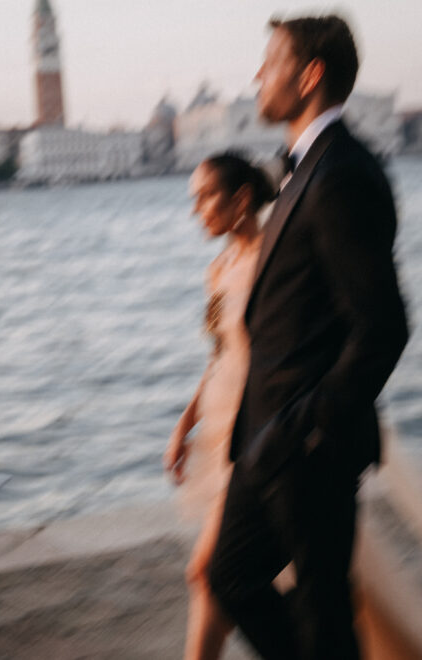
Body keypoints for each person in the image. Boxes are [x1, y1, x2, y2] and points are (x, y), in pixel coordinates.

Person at [208, 15, 408, 660]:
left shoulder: (343, 173)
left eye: (271, 63)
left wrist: (313, 425)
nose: (258, 76)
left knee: (321, 612)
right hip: (266, 439)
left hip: (305, 443)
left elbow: (382, 325)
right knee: (232, 576)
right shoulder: (308, 168)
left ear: (310, 74)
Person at [164, 152, 276, 660]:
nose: (197, 211)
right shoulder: (220, 266)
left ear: (241, 199)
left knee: (208, 570)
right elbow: (218, 355)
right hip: (218, 431)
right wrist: (185, 424)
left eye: (206, 197)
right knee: (210, 574)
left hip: (253, 436)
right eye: (195, 200)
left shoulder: (270, 261)